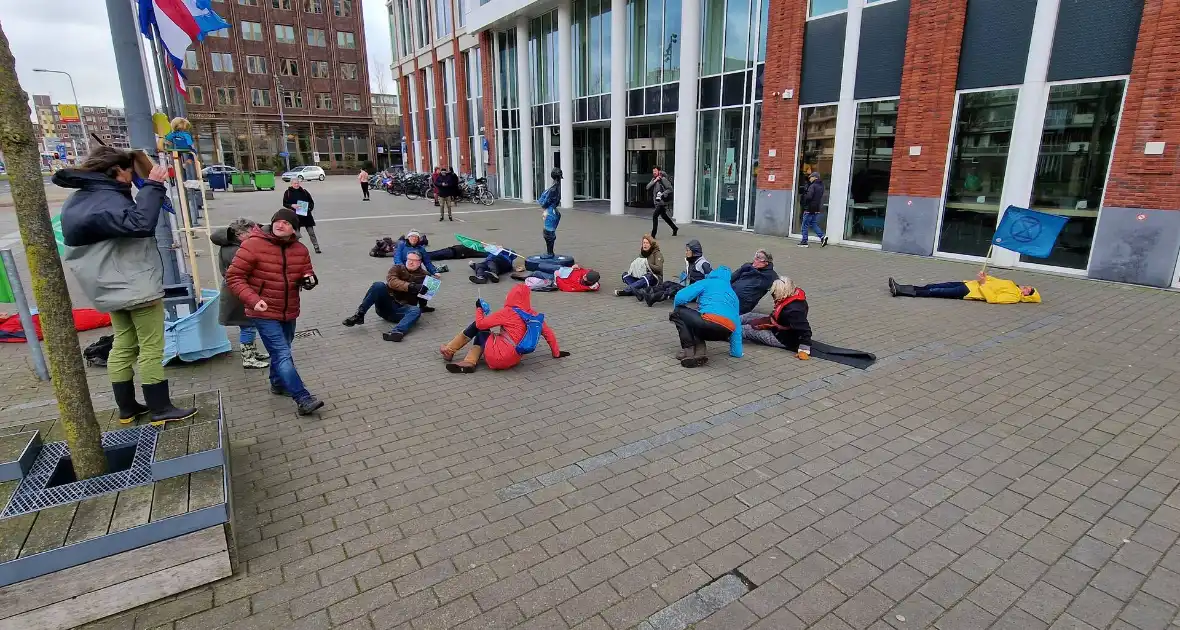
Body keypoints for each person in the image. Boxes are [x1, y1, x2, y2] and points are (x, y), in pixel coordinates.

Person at [58, 146, 197, 424]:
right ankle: (160, 408)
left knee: (123, 345)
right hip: (134, 285)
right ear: (117, 171)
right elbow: (141, 223)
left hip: (106, 287)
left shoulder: (79, 199)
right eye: (130, 171)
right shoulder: (107, 198)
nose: (133, 176)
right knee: (151, 348)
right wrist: (154, 186)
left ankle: (127, 407)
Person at [225, 209, 325, 415]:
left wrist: (309, 280)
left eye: (286, 223)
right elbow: (234, 277)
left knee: (283, 350)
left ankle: (278, 384)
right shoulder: (252, 244)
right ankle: (303, 398)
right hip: (262, 310)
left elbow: (306, 272)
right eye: (277, 222)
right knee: (282, 353)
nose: (280, 225)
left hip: (289, 310)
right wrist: (253, 300)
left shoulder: (300, 250)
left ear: (293, 230)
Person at [440, 284, 569, 373]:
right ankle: (463, 358)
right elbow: (549, 334)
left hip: (498, 357)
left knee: (480, 330)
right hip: (515, 358)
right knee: (488, 334)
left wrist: (479, 309)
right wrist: (557, 353)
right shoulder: (534, 315)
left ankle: (455, 352)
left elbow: (480, 324)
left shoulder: (507, 312)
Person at [211, 218, 269, 370]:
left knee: (249, 324)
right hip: (238, 294)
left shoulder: (232, 246)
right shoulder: (236, 250)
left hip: (236, 292)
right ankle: (248, 358)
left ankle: (252, 353)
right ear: (240, 234)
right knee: (247, 325)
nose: (254, 235)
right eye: (250, 232)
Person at [342, 250, 430, 341]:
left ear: (420, 262)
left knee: (416, 310)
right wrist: (411, 286)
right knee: (378, 285)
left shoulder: (427, 276)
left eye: (414, 260)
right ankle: (359, 315)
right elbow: (392, 282)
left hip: (401, 311)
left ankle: (396, 332)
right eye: (409, 259)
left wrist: (424, 302)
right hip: (386, 305)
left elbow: (426, 296)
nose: (411, 262)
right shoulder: (397, 268)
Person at [669, 267, 743, 368]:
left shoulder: (708, 282)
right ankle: (700, 352)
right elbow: (737, 324)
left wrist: (677, 310)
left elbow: (680, 297)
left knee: (679, 313)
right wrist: (736, 352)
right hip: (726, 331)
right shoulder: (733, 295)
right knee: (696, 321)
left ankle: (688, 350)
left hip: (709, 321)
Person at [740, 276, 812, 360]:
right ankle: (727, 319)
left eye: (774, 292)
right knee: (748, 316)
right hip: (775, 322)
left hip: (782, 338)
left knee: (745, 330)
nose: (773, 294)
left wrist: (804, 349)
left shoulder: (794, 311)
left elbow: (805, 330)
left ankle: (724, 331)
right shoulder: (793, 295)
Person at [888, 272, 1041, 303]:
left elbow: (993, 299)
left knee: (935, 292)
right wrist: (985, 276)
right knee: (933, 285)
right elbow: (993, 280)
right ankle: (901, 287)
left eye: (1029, 292)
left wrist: (982, 284)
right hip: (968, 283)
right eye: (1029, 288)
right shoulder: (1011, 284)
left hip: (969, 292)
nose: (1027, 289)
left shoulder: (1014, 297)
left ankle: (901, 292)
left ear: (1027, 297)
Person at [643, 239, 713, 306]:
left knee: (674, 289)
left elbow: (712, 281)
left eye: (688, 250)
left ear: (694, 252)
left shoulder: (703, 264)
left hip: (695, 294)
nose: (686, 252)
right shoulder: (691, 261)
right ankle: (648, 291)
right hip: (689, 288)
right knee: (668, 283)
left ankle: (652, 298)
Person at [730, 249, 777, 314]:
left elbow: (779, 293)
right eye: (755, 257)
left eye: (759, 259)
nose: (755, 261)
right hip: (728, 297)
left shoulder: (770, 276)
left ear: (766, 263)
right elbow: (731, 279)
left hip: (742, 306)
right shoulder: (747, 267)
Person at [282, 179, 319, 253]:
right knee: (296, 234)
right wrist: (292, 205)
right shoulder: (288, 192)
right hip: (295, 216)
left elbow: (311, 202)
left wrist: (309, 208)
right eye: (295, 183)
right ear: (291, 184)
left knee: (311, 233)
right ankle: (296, 249)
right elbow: (285, 203)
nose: (296, 185)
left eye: (297, 183)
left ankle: (316, 247)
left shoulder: (304, 192)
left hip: (306, 216)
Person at [512, 264, 601, 292]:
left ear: (589, 282)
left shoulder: (581, 287)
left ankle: (525, 277)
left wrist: (557, 277)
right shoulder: (589, 275)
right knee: (542, 265)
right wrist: (577, 267)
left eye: (585, 277)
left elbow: (565, 287)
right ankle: (528, 269)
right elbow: (586, 270)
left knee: (537, 273)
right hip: (565, 270)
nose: (584, 276)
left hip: (556, 277)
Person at [800, 172, 828, 248]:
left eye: (810, 177)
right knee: (813, 223)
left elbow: (809, 197)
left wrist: (804, 196)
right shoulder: (821, 186)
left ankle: (804, 241)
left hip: (809, 208)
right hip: (816, 208)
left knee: (804, 225)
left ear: (815, 177)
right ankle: (822, 237)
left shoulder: (813, 186)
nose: (810, 178)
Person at [647, 167, 677, 237]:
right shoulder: (654, 179)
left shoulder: (663, 179)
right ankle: (674, 228)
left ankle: (653, 235)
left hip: (662, 202)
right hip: (656, 202)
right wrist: (655, 180)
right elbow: (647, 187)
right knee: (664, 216)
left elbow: (670, 189)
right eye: (653, 171)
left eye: (655, 171)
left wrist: (662, 194)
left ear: (659, 171)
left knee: (655, 216)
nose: (654, 172)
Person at [540, 169, 562, 257]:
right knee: (548, 232)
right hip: (552, 211)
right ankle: (550, 252)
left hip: (550, 212)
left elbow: (546, 201)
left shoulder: (553, 188)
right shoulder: (556, 186)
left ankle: (550, 253)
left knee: (548, 233)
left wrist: (543, 204)